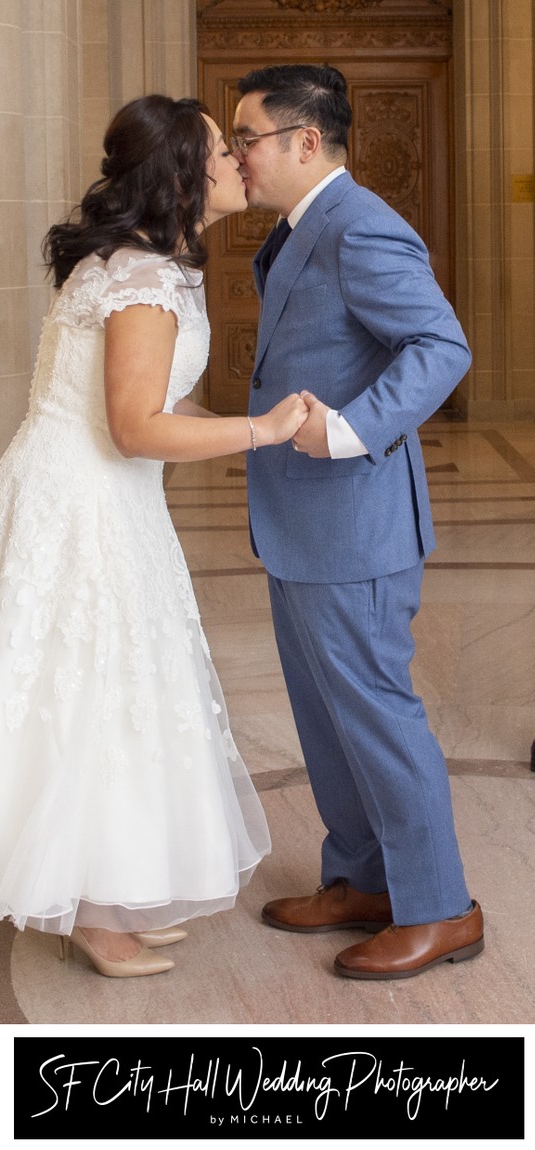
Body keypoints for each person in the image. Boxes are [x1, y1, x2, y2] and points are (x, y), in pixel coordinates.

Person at [0, 95, 308, 979]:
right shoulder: (141, 279)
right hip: (82, 506)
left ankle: (99, 890)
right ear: (184, 174)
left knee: (109, 690)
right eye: (220, 150)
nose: (235, 161)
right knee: (93, 695)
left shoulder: (144, 266)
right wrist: (261, 433)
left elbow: (158, 406)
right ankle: (87, 909)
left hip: (89, 496)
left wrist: (242, 424)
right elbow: (134, 428)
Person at [232, 64, 484, 980]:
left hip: (353, 523)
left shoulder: (362, 224)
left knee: (375, 717)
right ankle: (361, 881)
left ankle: (438, 907)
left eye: (245, 138)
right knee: (325, 717)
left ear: (306, 142)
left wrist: (348, 431)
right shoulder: (304, 227)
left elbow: (440, 345)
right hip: (303, 524)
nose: (235, 156)